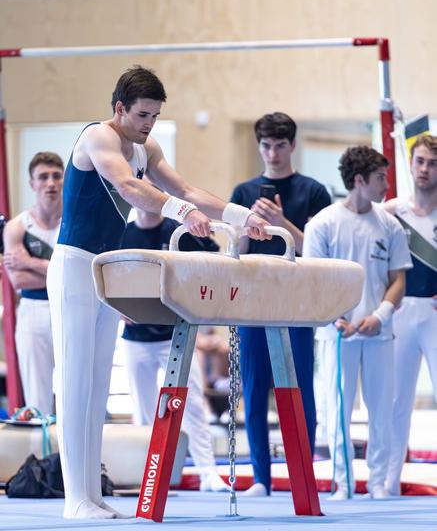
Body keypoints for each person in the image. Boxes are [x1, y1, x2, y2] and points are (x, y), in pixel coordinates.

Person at [47, 65, 269, 519]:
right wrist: (182, 212)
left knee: (96, 385)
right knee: (75, 380)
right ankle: (74, 499)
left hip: (107, 269)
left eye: (155, 115)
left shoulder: (146, 147)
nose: (148, 123)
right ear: (119, 108)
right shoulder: (98, 138)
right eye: (142, 114)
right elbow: (128, 186)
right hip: (73, 264)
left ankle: (91, 494)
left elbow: (185, 188)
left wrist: (240, 217)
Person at [230, 112, 331, 497]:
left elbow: (317, 252)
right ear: (259, 146)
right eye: (266, 146)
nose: (272, 153)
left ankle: (301, 473)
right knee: (254, 391)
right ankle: (261, 477)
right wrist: (247, 227)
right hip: (253, 302)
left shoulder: (313, 191)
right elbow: (232, 254)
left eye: (279, 146)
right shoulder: (243, 193)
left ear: (292, 146)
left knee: (300, 390)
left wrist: (282, 222)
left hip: (295, 304)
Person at [303, 145, 412, 500]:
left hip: (379, 333)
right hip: (337, 333)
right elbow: (313, 280)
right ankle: (343, 482)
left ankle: (378, 482)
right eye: (381, 178)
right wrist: (335, 318)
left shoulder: (389, 225)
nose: (386, 184)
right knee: (338, 412)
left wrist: (379, 316)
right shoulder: (323, 224)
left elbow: (398, 279)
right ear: (360, 180)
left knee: (382, 411)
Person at [120, 206, 228, 492]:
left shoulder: (178, 231)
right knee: (143, 411)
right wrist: (116, 307)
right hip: (136, 335)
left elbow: (215, 259)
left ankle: (208, 473)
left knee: (191, 404)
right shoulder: (124, 232)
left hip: (175, 333)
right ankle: (148, 475)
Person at [384, 134, 437, 495]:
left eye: (432, 163)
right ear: (410, 163)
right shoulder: (390, 212)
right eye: (420, 161)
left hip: (433, 314)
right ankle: (388, 478)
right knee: (396, 398)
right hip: (402, 311)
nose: (424, 169)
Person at [3, 152, 64, 414]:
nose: (50, 183)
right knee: (36, 397)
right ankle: (41, 453)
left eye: (56, 176)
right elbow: (18, 280)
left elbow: (81, 274)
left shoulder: (75, 223)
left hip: (67, 308)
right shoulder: (17, 227)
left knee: (70, 390)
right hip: (32, 311)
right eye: (43, 177)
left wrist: (29, 262)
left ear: (64, 180)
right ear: (32, 183)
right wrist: (60, 273)